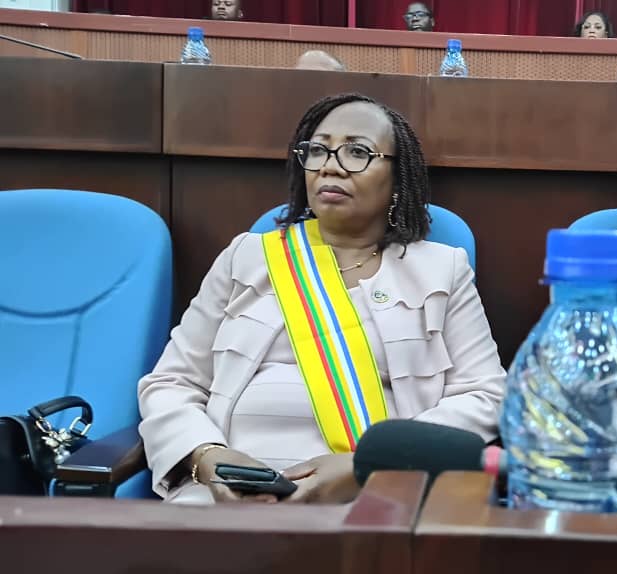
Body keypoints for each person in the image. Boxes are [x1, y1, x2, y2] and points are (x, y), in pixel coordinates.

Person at [138, 93, 506, 505]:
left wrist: (371, 468)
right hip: (227, 495)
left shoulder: (442, 269)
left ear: (398, 179)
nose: (330, 165)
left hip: (375, 492)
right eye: (317, 150)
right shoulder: (246, 257)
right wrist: (206, 456)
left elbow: (485, 394)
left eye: (357, 152)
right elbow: (172, 382)